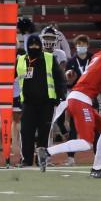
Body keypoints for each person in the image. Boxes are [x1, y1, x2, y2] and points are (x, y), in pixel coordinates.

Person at [38, 29, 101, 178]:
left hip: (78, 97)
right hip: (82, 99)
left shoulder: (99, 55)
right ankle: (47, 151)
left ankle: (97, 168)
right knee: (86, 142)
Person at [15, 32, 67, 169]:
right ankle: (26, 160)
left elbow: (59, 78)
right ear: (27, 46)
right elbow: (9, 76)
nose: (34, 47)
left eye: (36, 44)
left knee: (44, 133)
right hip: (28, 103)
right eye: (31, 44)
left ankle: (41, 159)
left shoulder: (49, 58)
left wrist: (60, 96)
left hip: (46, 103)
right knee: (26, 132)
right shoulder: (21, 60)